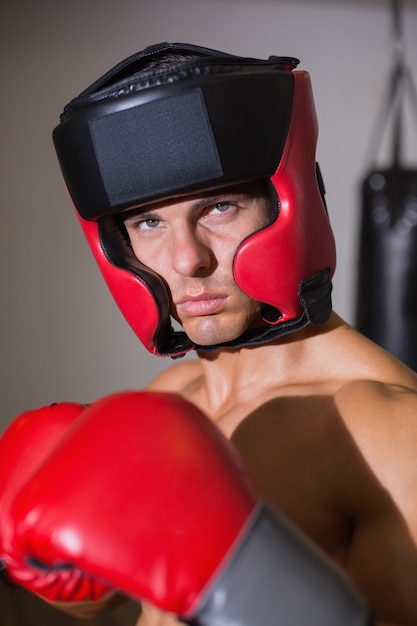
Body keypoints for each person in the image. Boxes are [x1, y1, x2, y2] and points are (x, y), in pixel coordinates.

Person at [1, 42, 417, 626]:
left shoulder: (389, 432)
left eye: (219, 207)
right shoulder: (170, 397)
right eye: (149, 222)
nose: (186, 260)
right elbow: (114, 598)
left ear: (287, 201)